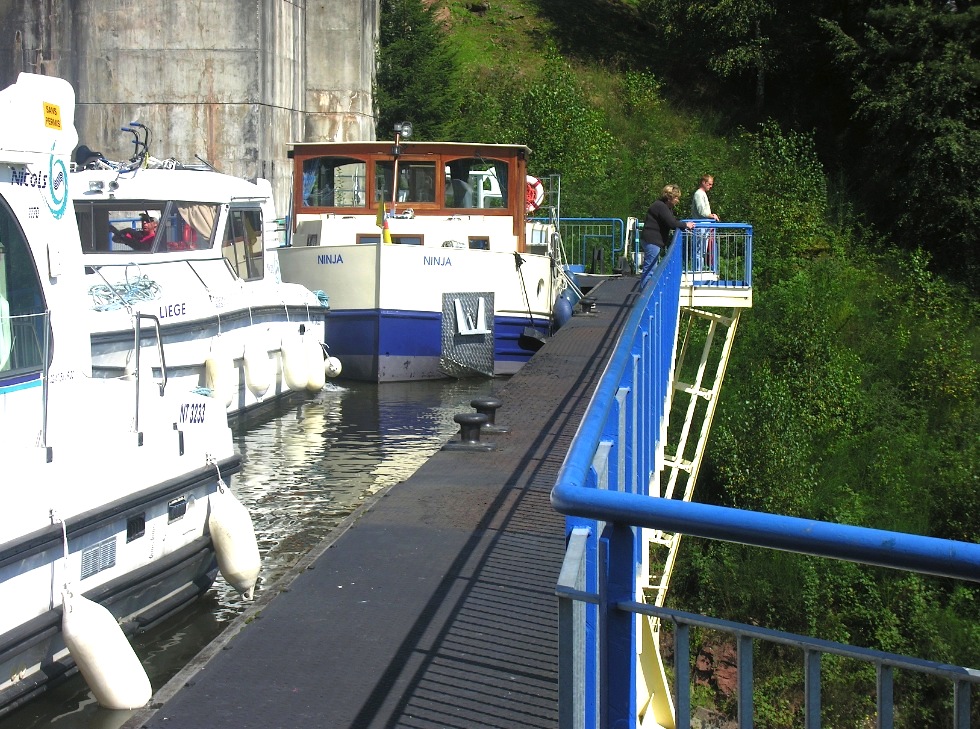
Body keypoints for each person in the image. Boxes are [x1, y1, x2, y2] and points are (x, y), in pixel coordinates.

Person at [640, 184, 694, 280]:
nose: (677, 201)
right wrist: (685, 225)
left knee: (651, 268)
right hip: (652, 241)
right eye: (676, 198)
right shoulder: (661, 206)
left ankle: (645, 291)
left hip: (651, 241)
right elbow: (672, 223)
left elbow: (670, 221)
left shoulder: (663, 206)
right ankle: (644, 293)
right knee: (649, 270)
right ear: (669, 198)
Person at [690, 175, 719, 271]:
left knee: (702, 251)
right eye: (709, 184)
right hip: (700, 226)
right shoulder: (699, 194)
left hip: (704, 226)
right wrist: (712, 216)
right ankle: (697, 271)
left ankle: (699, 270)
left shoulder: (702, 194)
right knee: (699, 250)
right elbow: (701, 211)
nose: (710, 186)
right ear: (703, 182)